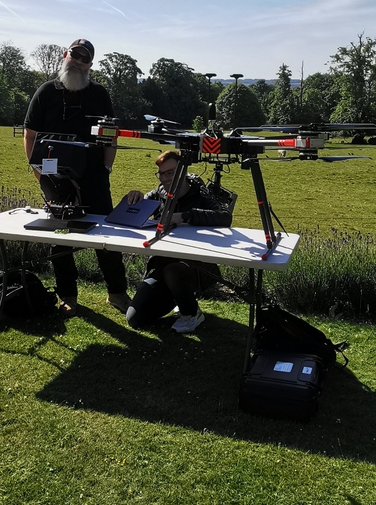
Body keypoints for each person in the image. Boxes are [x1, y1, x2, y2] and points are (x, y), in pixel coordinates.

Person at [23, 38, 130, 316]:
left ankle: (117, 294)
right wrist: (38, 171)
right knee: (60, 239)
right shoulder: (45, 92)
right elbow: (30, 134)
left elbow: (110, 135)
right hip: (55, 181)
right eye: (75, 55)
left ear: (90, 64)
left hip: (94, 179)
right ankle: (67, 295)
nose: (78, 61)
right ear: (65, 55)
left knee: (107, 238)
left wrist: (106, 169)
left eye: (85, 59)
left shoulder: (99, 94)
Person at [122, 149, 232, 333]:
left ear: (183, 171)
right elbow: (132, 215)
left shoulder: (200, 193)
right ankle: (178, 299)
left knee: (173, 271)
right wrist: (135, 199)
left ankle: (191, 313)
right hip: (162, 265)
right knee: (134, 318)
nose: (165, 178)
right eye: (161, 173)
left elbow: (224, 217)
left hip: (196, 266)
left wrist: (186, 216)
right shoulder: (159, 194)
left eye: (170, 173)